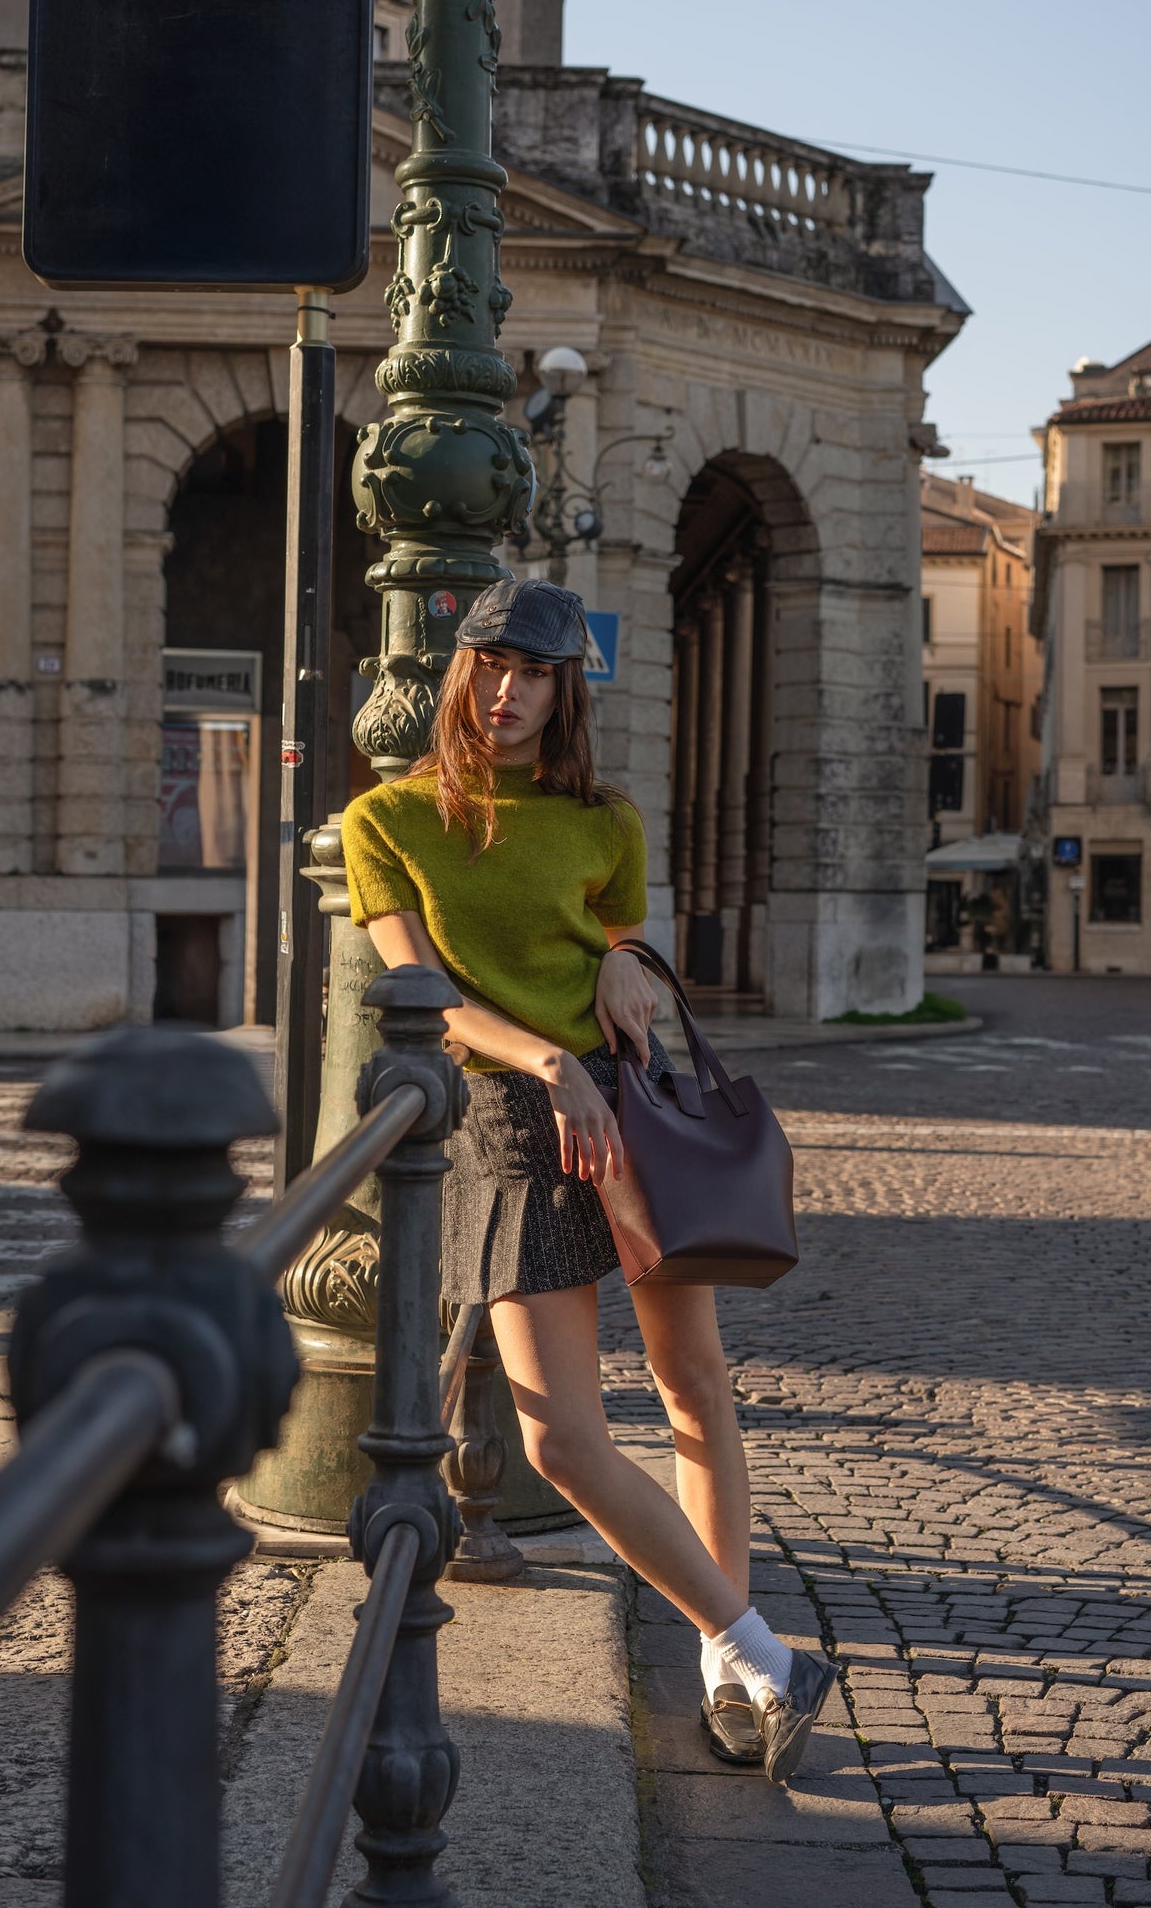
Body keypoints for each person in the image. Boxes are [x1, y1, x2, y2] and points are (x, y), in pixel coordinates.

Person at [341, 578, 835, 1784]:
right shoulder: (389, 820)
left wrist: (627, 973)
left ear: (568, 689)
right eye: (490, 667)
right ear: (460, 672)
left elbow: (611, 936)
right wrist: (545, 1058)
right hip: (516, 1121)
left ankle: (729, 1670)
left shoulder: (603, 818)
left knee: (694, 1383)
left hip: (634, 1103)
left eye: (535, 673)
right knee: (562, 1438)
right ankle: (755, 1640)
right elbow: (422, 995)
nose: (507, 694)